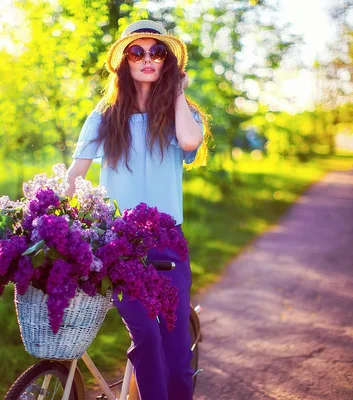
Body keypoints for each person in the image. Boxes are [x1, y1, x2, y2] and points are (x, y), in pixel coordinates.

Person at [66, 19, 211, 400]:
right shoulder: (104, 115)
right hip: (122, 244)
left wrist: (178, 93)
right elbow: (76, 174)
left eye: (157, 52)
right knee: (146, 336)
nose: (147, 58)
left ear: (168, 63)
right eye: (137, 51)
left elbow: (189, 139)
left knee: (177, 354)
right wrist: (57, 220)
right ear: (124, 62)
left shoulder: (179, 114)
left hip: (168, 243)